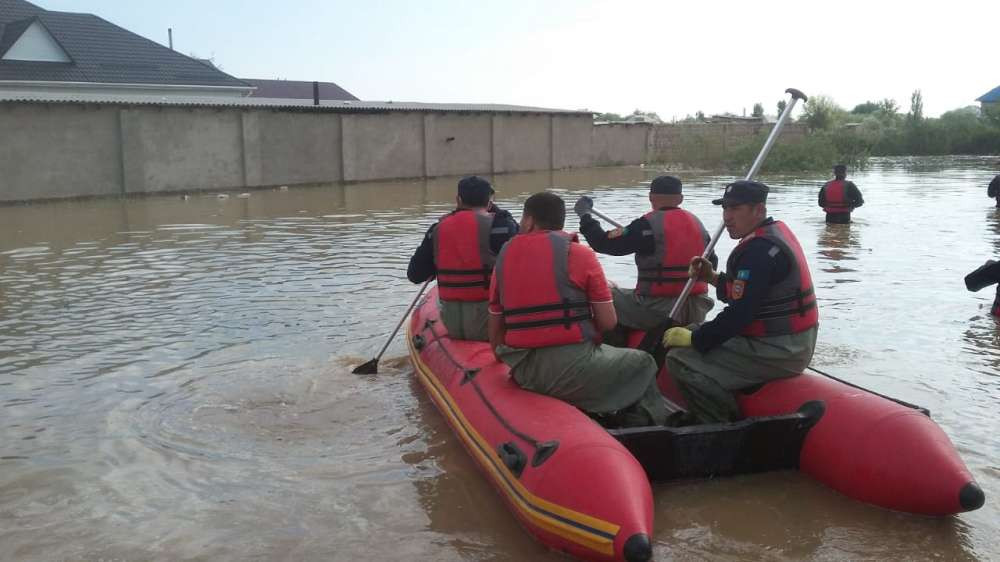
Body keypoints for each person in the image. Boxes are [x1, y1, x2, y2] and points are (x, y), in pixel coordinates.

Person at [488, 192, 668, 427]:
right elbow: (608, 323)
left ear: (530, 221)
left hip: (523, 368)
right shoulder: (581, 255)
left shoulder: (504, 257)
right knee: (644, 361)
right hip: (569, 367)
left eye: (523, 219)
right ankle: (648, 425)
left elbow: (495, 327)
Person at [662, 180, 819, 423]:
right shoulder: (770, 235)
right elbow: (749, 294)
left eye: (735, 209)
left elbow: (740, 314)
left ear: (759, 210)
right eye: (725, 208)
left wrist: (696, 339)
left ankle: (718, 424)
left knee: (680, 359)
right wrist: (712, 278)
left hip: (780, 349)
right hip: (785, 341)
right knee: (692, 331)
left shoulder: (759, 251)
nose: (727, 217)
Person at [574, 175, 716, 331]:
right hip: (698, 306)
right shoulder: (699, 226)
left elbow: (603, 243)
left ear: (650, 197)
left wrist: (585, 216)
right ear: (681, 199)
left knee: (603, 294)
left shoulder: (645, 226)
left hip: (658, 309)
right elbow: (712, 265)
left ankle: (610, 339)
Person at [407, 176, 518, 341]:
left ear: (458, 200)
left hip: (453, 323)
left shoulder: (437, 230)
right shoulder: (502, 227)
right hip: (490, 322)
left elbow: (415, 275)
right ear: (489, 202)